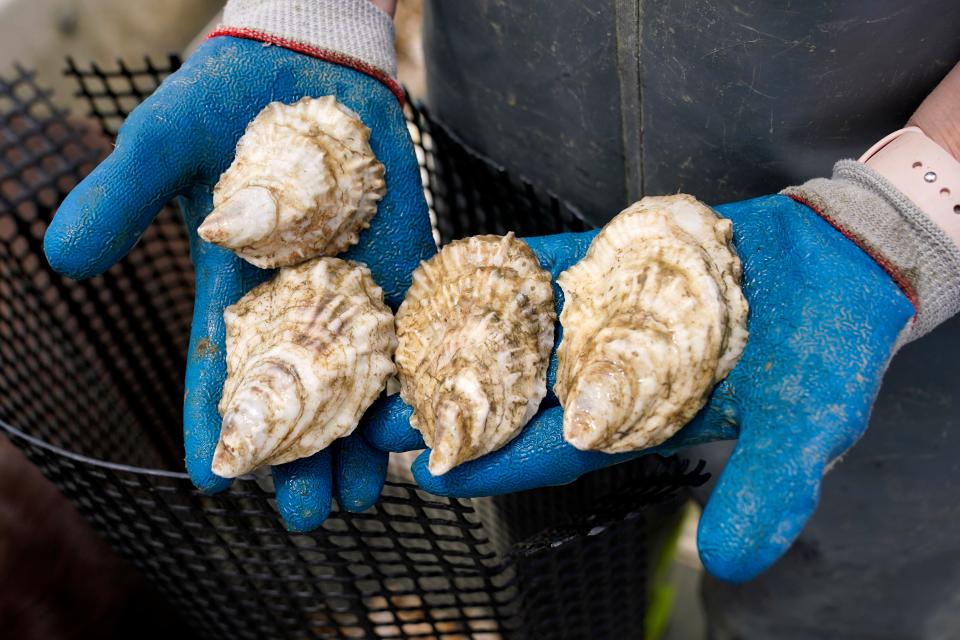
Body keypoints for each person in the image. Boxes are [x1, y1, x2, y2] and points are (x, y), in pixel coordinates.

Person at [42, 1, 960, 638]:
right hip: (513, 134)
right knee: (555, 546)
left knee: (848, 595)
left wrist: (915, 210)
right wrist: (315, 10)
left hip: (892, 271)